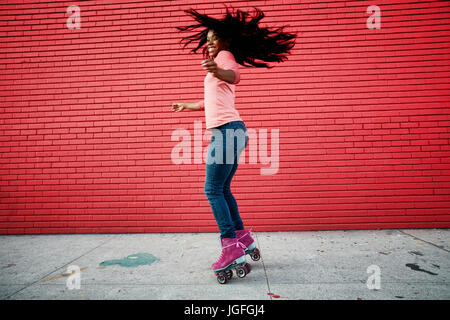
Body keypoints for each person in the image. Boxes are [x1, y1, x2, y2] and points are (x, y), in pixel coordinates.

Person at [171, 5, 296, 279]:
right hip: (233, 130)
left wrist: (217, 69)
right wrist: (187, 105)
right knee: (223, 189)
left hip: (227, 132)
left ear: (226, 39)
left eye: (214, 37)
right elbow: (210, 102)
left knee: (212, 189)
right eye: (207, 39)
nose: (209, 42)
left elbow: (235, 76)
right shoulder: (219, 64)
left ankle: (230, 245)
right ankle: (242, 238)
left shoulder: (225, 59)